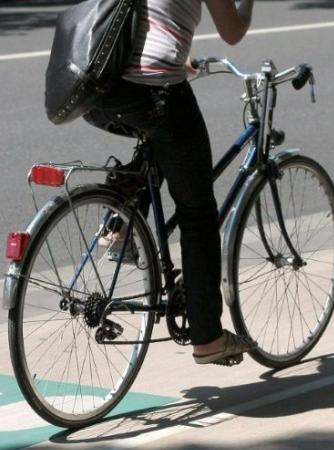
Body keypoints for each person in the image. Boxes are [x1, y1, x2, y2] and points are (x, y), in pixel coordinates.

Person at [84, 0, 257, 365]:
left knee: (162, 145)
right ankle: (207, 336)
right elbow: (233, 31)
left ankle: (122, 223)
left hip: (100, 90)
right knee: (198, 212)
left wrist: (181, 62)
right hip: (156, 92)